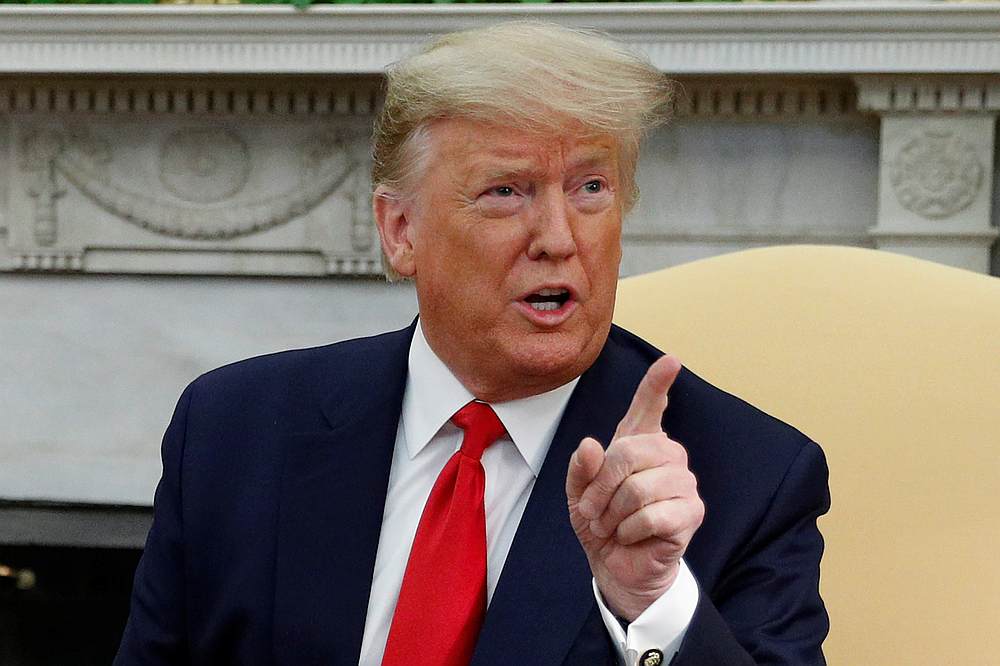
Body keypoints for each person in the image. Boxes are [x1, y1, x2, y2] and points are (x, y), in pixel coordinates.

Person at [115, 21, 829, 666]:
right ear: (401, 231)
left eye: (589, 187)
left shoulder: (747, 478)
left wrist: (653, 604)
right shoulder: (235, 429)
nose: (559, 238)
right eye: (505, 192)